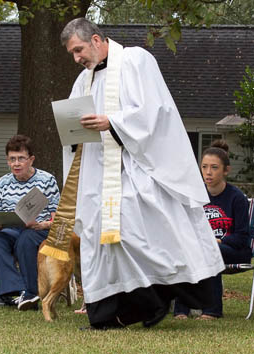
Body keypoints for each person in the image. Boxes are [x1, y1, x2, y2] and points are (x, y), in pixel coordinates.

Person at [58, 18, 224, 329]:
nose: (77, 58)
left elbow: (155, 110)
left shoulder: (135, 60)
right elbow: (73, 124)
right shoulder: (84, 80)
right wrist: (72, 127)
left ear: (95, 39)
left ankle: (156, 302)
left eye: (79, 50)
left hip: (136, 168)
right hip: (98, 175)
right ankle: (110, 314)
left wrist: (113, 122)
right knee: (101, 242)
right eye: (72, 53)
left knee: (141, 236)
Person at [173, 141, 250, 320]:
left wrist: (219, 241)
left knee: (210, 250)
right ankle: (181, 310)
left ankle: (212, 310)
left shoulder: (236, 198)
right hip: (201, 247)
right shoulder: (195, 196)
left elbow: (242, 236)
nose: (208, 172)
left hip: (234, 251)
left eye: (214, 167)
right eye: (204, 167)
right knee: (185, 251)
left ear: (225, 170)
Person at [0, 135, 59, 311]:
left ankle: (31, 293)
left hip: (38, 230)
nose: (16, 164)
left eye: (21, 159)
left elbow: (56, 219)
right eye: (12, 159)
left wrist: (42, 225)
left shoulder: (47, 180)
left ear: (31, 159)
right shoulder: (3, 183)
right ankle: (14, 291)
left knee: (26, 239)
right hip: (11, 229)